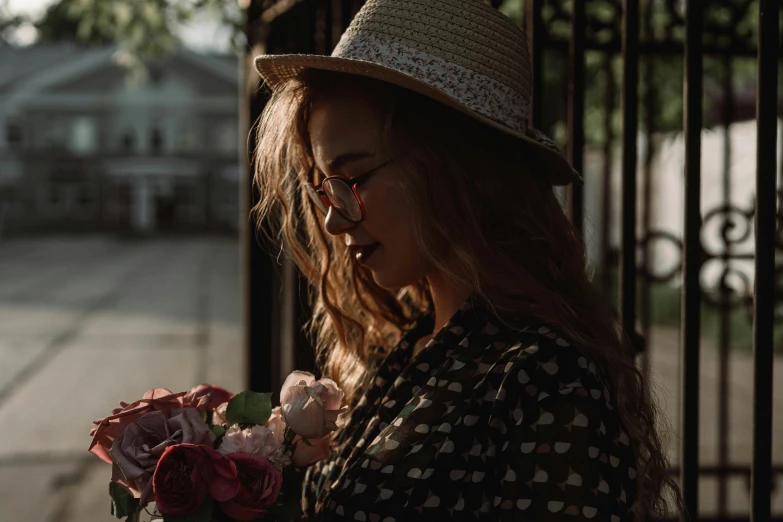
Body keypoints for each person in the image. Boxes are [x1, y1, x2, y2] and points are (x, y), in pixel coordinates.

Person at [251, 0, 682, 520]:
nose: (334, 221)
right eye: (326, 189)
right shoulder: (411, 346)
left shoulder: (545, 376)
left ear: (458, 166)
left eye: (356, 180)